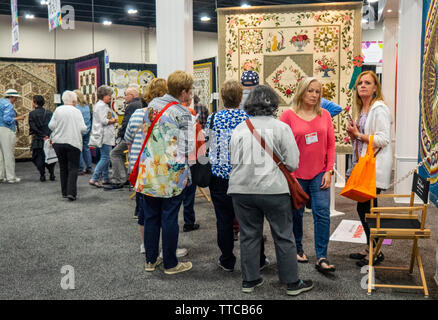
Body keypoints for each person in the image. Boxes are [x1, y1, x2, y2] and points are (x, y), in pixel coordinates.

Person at [228, 84, 314, 295]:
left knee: (249, 235)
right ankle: (291, 283)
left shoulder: (240, 127)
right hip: (274, 189)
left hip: (241, 189)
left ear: (249, 104)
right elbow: (293, 163)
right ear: (273, 104)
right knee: (283, 235)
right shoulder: (281, 128)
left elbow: (233, 159)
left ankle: (250, 280)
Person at [130, 71, 194, 275]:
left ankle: (150, 260)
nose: (191, 93)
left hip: (149, 168)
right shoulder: (183, 113)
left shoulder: (152, 106)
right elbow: (187, 146)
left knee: (150, 216)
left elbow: (146, 132)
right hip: (171, 174)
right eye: (190, 90)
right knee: (169, 217)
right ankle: (171, 263)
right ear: (183, 92)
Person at [206, 79, 268, 273]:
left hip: (220, 177)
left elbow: (209, 146)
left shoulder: (213, 118)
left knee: (223, 220)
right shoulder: (250, 118)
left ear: (222, 97)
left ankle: (227, 259)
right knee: (251, 220)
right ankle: (258, 259)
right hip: (246, 175)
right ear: (241, 97)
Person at [280, 77, 336, 274]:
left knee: (322, 213)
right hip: (296, 175)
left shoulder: (325, 115)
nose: (314, 95)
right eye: (310, 91)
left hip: (320, 173)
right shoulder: (287, 116)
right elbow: (281, 146)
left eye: (317, 92)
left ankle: (322, 255)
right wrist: (288, 173)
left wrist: (329, 170)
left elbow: (330, 145)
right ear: (301, 91)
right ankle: (297, 248)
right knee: (295, 213)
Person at [346, 71, 392, 267]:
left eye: (368, 83)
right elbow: (363, 137)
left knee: (368, 210)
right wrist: (354, 134)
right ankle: (370, 247)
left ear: (375, 88)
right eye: (360, 83)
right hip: (365, 164)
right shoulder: (364, 108)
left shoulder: (379, 108)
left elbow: (383, 139)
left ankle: (376, 251)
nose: (363, 86)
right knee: (365, 208)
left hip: (374, 166)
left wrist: (359, 135)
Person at [48, 91, 87, 201]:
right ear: (74, 101)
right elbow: (83, 128)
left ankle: (64, 192)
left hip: (58, 142)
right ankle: (71, 193)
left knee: (63, 167)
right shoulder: (77, 111)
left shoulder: (58, 110)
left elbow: (51, 126)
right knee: (73, 167)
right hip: (73, 142)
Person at [105, 87, 144, 190]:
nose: (124, 97)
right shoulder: (141, 104)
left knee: (114, 153)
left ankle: (118, 180)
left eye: (126, 95)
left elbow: (126, 123)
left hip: (130, 137)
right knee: (120, 155)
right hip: (140, 137)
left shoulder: (131, 106)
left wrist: (120, 136)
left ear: (132, 95)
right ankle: (124, 177)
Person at [180, 93, 205, 233]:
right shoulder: (191, 114)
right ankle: (189, 222)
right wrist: (202, 158)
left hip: (175, 158)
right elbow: (199, 139)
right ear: (189, 100)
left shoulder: (169, 113)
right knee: (189, 192)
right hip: (191, 157)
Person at [89, 85, 117, 188]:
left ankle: (105, 178)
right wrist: (114, 120)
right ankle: (94, 178)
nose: (110, 97)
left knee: (104, 156)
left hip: (104, 135)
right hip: (104, 135)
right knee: (105, 157)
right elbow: (104, 121)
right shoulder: (101, 106)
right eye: (109, 95)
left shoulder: (103, 105)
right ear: (104, 95)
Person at [0, 89, 26, 183]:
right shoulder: (8, 105)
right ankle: (11, 177)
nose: (16, 100)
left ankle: (1, 176)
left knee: (0, 155)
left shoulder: (1, 102)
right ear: (11, 97)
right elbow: (7, 119)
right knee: (8, 154)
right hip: (6, 130)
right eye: (15, 98)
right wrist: (19, 118)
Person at [28, 95, 56, 182]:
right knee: (50, 156)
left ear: (35, 102)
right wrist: (47, 135)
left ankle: (42, 175)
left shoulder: (32, 114)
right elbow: (53, 126)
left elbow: (33, 127)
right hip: (48, 138)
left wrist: (42, 135)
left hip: (38, 139)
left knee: (38, 157)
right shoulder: (49, 112)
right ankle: (52, 174)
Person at [74, 90, 92, 175]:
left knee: (78, 149)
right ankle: (89, 167)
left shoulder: (75, 108)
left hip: (78, 130)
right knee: (86, 148)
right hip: (87, 129)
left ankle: (80, 169)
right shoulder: (86, 106)